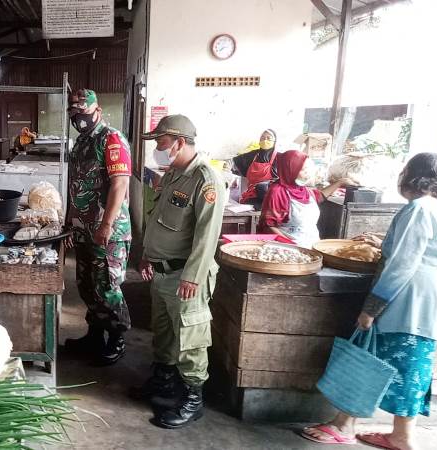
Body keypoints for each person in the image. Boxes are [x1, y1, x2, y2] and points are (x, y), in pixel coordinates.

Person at [300, 152, 437, 450]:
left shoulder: (418, 208)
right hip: (425, 299)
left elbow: (403, 263)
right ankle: (401, 436)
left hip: (404, 298)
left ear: (414, 175)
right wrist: (384, 244)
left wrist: (372, 307)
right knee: (410, 366)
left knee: (371, 356)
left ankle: (344, 426)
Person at [132, 114, 226, 429]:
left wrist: (193, 277)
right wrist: (147, 255)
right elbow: (158, 219)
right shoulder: (173, 174)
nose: (157, 147)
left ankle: (193, 399)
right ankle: (164, 382)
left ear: (179, 142)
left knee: (190, 338)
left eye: (161, 142)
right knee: (165, 334)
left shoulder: (205, 179)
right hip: (160, 272)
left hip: (185, 276)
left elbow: (207, 235)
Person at [63, 89, 133, 366]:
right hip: (83, 228)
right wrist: (70, 220)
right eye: (74, 113)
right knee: (87, 284)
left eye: (83, 112)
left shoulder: (111, 138)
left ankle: (117, 339)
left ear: (97, 111)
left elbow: (120, 183)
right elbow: (76, 185)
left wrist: (105, 225)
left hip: (108, 231)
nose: (78, 118)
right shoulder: (80, 143)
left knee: (107, 285)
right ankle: (94, 335)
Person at [258, 150, 352, 248]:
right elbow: (268, 226)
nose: (308, 173)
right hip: (288, 249)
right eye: (304, 170)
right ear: (291, 169)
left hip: (312, 246)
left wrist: (340, 183)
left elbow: (319, 196)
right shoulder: (278, 192)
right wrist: (290, 245)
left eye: (309, 169)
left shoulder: (304, 190)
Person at [232, 129, 279, 208]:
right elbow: (235, 161)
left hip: (270, 196)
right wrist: (226, 165)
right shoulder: (253, 155)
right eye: (262, 138)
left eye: (268, 138)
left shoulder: (279, 158)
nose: (265, 140)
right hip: (252, 195)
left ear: (275, 142)